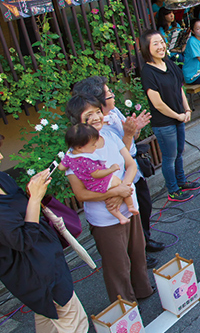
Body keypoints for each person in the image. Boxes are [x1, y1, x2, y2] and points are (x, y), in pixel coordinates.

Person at [0, 130, 137, 333]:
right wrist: (33, 198)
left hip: (42, 260)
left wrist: (33, 192)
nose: (1, 156)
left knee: (46, 313)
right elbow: (22, 239)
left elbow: (24, 208)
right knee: (72, 321)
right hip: (33, 269)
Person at [70, 77, 164, 267]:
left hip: (130, 176)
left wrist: (134, 130)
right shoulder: (92, 133)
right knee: (123, 234)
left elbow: (129, 149)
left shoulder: (113, 113)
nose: (112, 95)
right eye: (108, 93)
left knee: (143, 208)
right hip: (114, 182)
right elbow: (120, 155)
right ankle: (138, 256)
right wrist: (119, 191)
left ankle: (144, 242)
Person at [139, 29, 199, 203]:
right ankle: (172, 190)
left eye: (161, 42)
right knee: (170, 156)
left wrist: (187, 109)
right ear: (146, 48)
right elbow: (157, 103)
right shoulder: (148, 72)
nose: (160, 46)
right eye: (155, 43)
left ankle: (181, 181)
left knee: (179, 152)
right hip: (164, 122)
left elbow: (179, 87)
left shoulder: (168, 63)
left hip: (179, 116)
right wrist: (178, 116)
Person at [60, 123, 138, 224]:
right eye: (92, 144)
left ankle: (121, 217)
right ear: (80, 147)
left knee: (114, 197)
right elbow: (96, 174)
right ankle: (130, 206)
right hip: (101, 185)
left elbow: (61, 167)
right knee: (120, 184)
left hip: (92, 186)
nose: (95, 146)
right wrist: (110, 170)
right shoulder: (87, 160)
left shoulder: (70, 157)